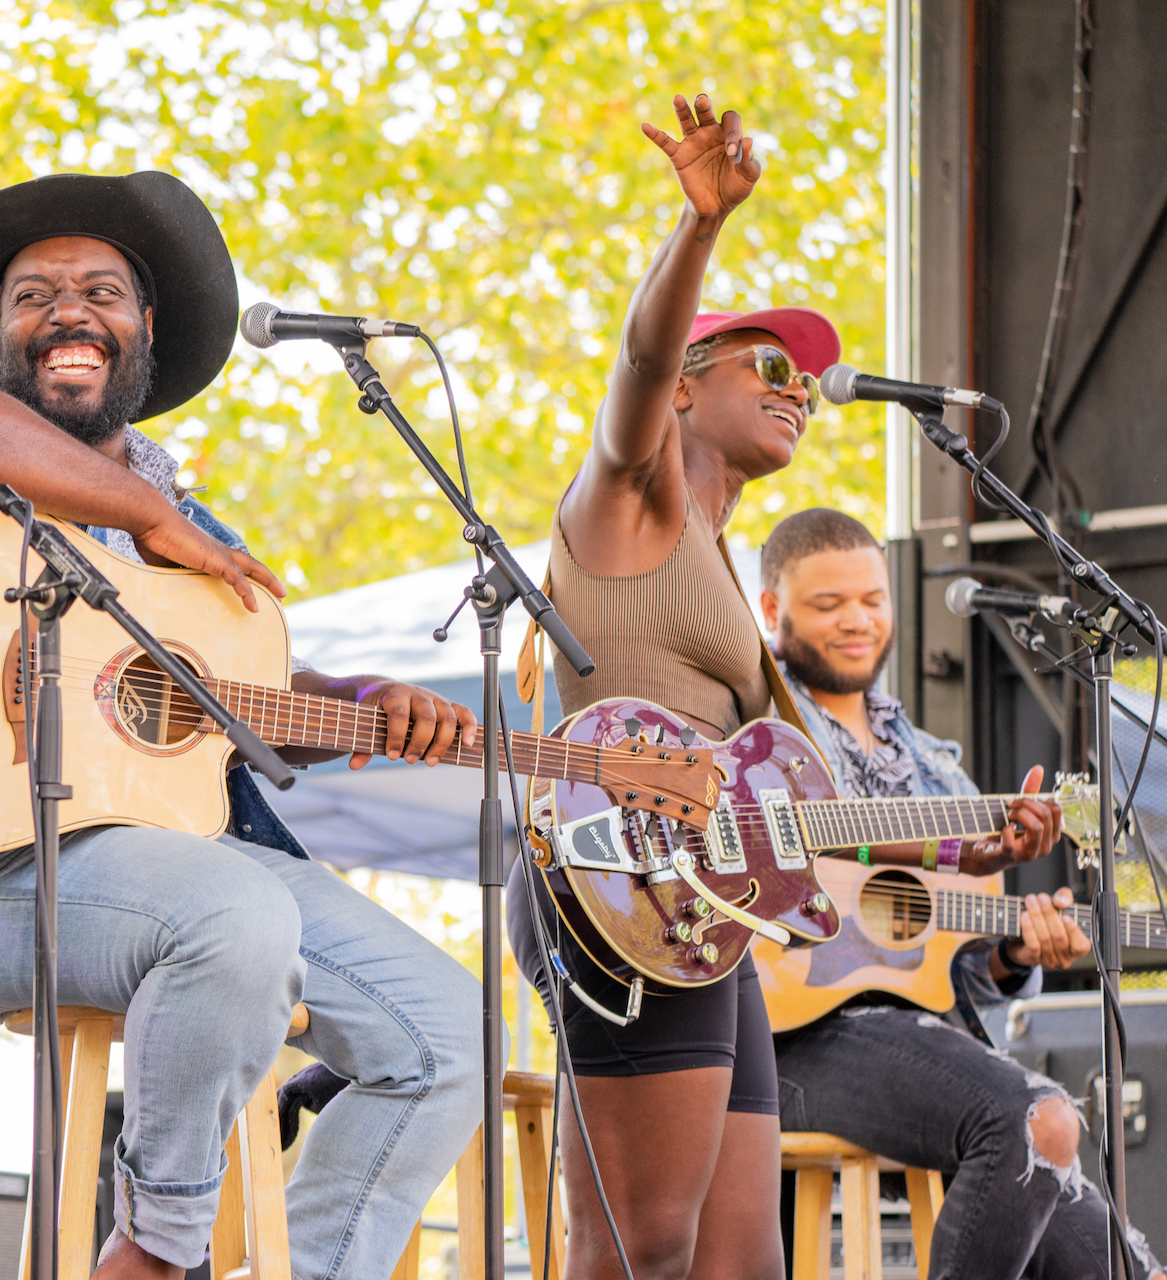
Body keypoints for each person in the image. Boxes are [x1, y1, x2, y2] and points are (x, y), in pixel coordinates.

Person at [0, 170, 485, 1280]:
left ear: (144, 332)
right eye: (33, 295)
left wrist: (370, 708)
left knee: (451, 1032)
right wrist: (143, 517)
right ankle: (155, 1247)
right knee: (236, 915)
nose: (70, 314)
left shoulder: (195, 530)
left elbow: (250, 689)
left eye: (102, 291)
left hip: (191, 862)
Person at [502, 92, 843, 1280]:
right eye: (769, 362)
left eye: (809, 378)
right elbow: (637, 364)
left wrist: (965, 842)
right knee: (639, 1242)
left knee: (739, 1257)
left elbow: (775, 801)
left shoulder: (733, 572)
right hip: (611, 879)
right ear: (691, 386)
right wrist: (697, 230)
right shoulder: (630, 503)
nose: (798, 384)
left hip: (704, 906)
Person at [758, 508, 1164, 1280]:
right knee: (1036, 1120)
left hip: (922, 1040)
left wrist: (1016, 953)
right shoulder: (766, 733)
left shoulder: (936, 767)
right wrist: (943, 848)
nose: (858, 620)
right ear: (772, 610)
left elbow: (963, 971)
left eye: (873, 599)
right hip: (790, 1032)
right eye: (827, 603)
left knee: (1130, 1272)